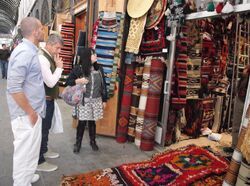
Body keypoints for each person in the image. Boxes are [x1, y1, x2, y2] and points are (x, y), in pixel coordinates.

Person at [6, 17, 45, 185]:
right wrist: (30, 111)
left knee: (31, 150)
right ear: (35, 31)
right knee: (24, 152)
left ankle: (27, 177)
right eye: (42, 29)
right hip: (26, 114)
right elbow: (14, 87)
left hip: (31, 112)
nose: (43, 31)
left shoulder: (29, 50)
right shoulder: (25, 52)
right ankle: (21, 182)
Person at [66, 48, 107, 154]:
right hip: (84, 101)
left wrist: (104, 99)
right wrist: (78, 80)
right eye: (93, 55)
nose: (96, 56)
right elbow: (68, 82)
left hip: (96, 100)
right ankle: (78, 143)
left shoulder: (99, 69)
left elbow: (104, 85)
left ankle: (93, 141)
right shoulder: (79, 69)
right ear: (87, 57)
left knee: (92, 122)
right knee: (82, 122)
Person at [37, 34, 64, 172]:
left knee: (45, 128)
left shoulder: (47, 57)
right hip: (44, 102)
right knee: (42, 130)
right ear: (50, 44)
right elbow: (50, 82)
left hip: (48, 100)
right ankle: (39, 161)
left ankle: (44, 150)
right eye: (58, 48)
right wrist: (59, 67)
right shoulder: (42, 58)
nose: (59, 52)